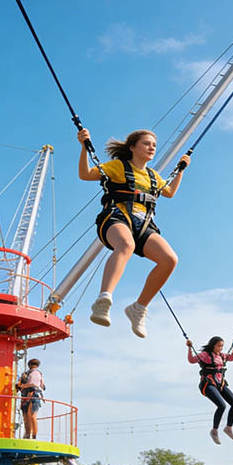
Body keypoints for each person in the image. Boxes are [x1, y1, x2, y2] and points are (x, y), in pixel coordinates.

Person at [77, 128, 190, 338]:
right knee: (126, 245)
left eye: (154, 145)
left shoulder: (153, 176)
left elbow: (170, 193)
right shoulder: (118, 166)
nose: (152, 148)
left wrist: (181, 169)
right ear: (132, 147)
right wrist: (84, 148)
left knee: (169, 260)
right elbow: (85, 174)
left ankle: (138, 308)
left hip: (143, 225)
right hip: (116, 218)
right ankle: (104, 300)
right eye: (147, 143)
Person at [187, 336, 233, 444]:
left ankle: (228, 428)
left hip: (220, 384)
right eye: (219, 346)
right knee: (222, 405)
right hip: (208, 384)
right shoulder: (205, 355)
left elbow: (232, 357)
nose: (221, 348)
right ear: (213, 345)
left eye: (222, 346)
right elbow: (192, 360)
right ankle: (214, 431)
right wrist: (189, 347)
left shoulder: (221, 356)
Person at [17, 358, 45, 440]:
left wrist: (22, 386)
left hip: (28, 395)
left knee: (28, 416)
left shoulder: (26, 374)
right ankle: (32, 435)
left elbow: (23, 384)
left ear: (29, 365)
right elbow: (42, 386)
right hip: (33, 395)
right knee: (30, 416)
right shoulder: (39, 374)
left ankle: (29, 435)